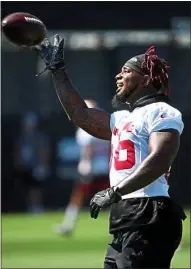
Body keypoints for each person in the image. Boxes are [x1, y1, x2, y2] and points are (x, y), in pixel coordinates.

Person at [33, 35, 186, 268]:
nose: (118, 75)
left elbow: (161, 159)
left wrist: (115, 191)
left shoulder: (161, 111)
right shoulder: (122, 118)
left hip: (149, 211)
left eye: (126, 71)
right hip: (126, 216)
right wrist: (57, 70)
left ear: (146, 79)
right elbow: (80, 115)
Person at [55, 99, 110, 235]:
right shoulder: (105, 126)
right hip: (105, 167)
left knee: (78, 197)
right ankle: (121, 226)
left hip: (91, 169)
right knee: (111, 199)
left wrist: (87, 167)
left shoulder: (86, 129)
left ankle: (68, 225)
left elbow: (88, 151)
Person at [14, 112, 50, 214]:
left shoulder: (39, 137)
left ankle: (37, 207)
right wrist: (18, 163)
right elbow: (18, 151)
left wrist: (42, 165)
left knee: (36, 188)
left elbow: (44, 151)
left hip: (35, 166)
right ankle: (29, 206)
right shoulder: (21, 138)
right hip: (24, 167)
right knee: (26, 188)